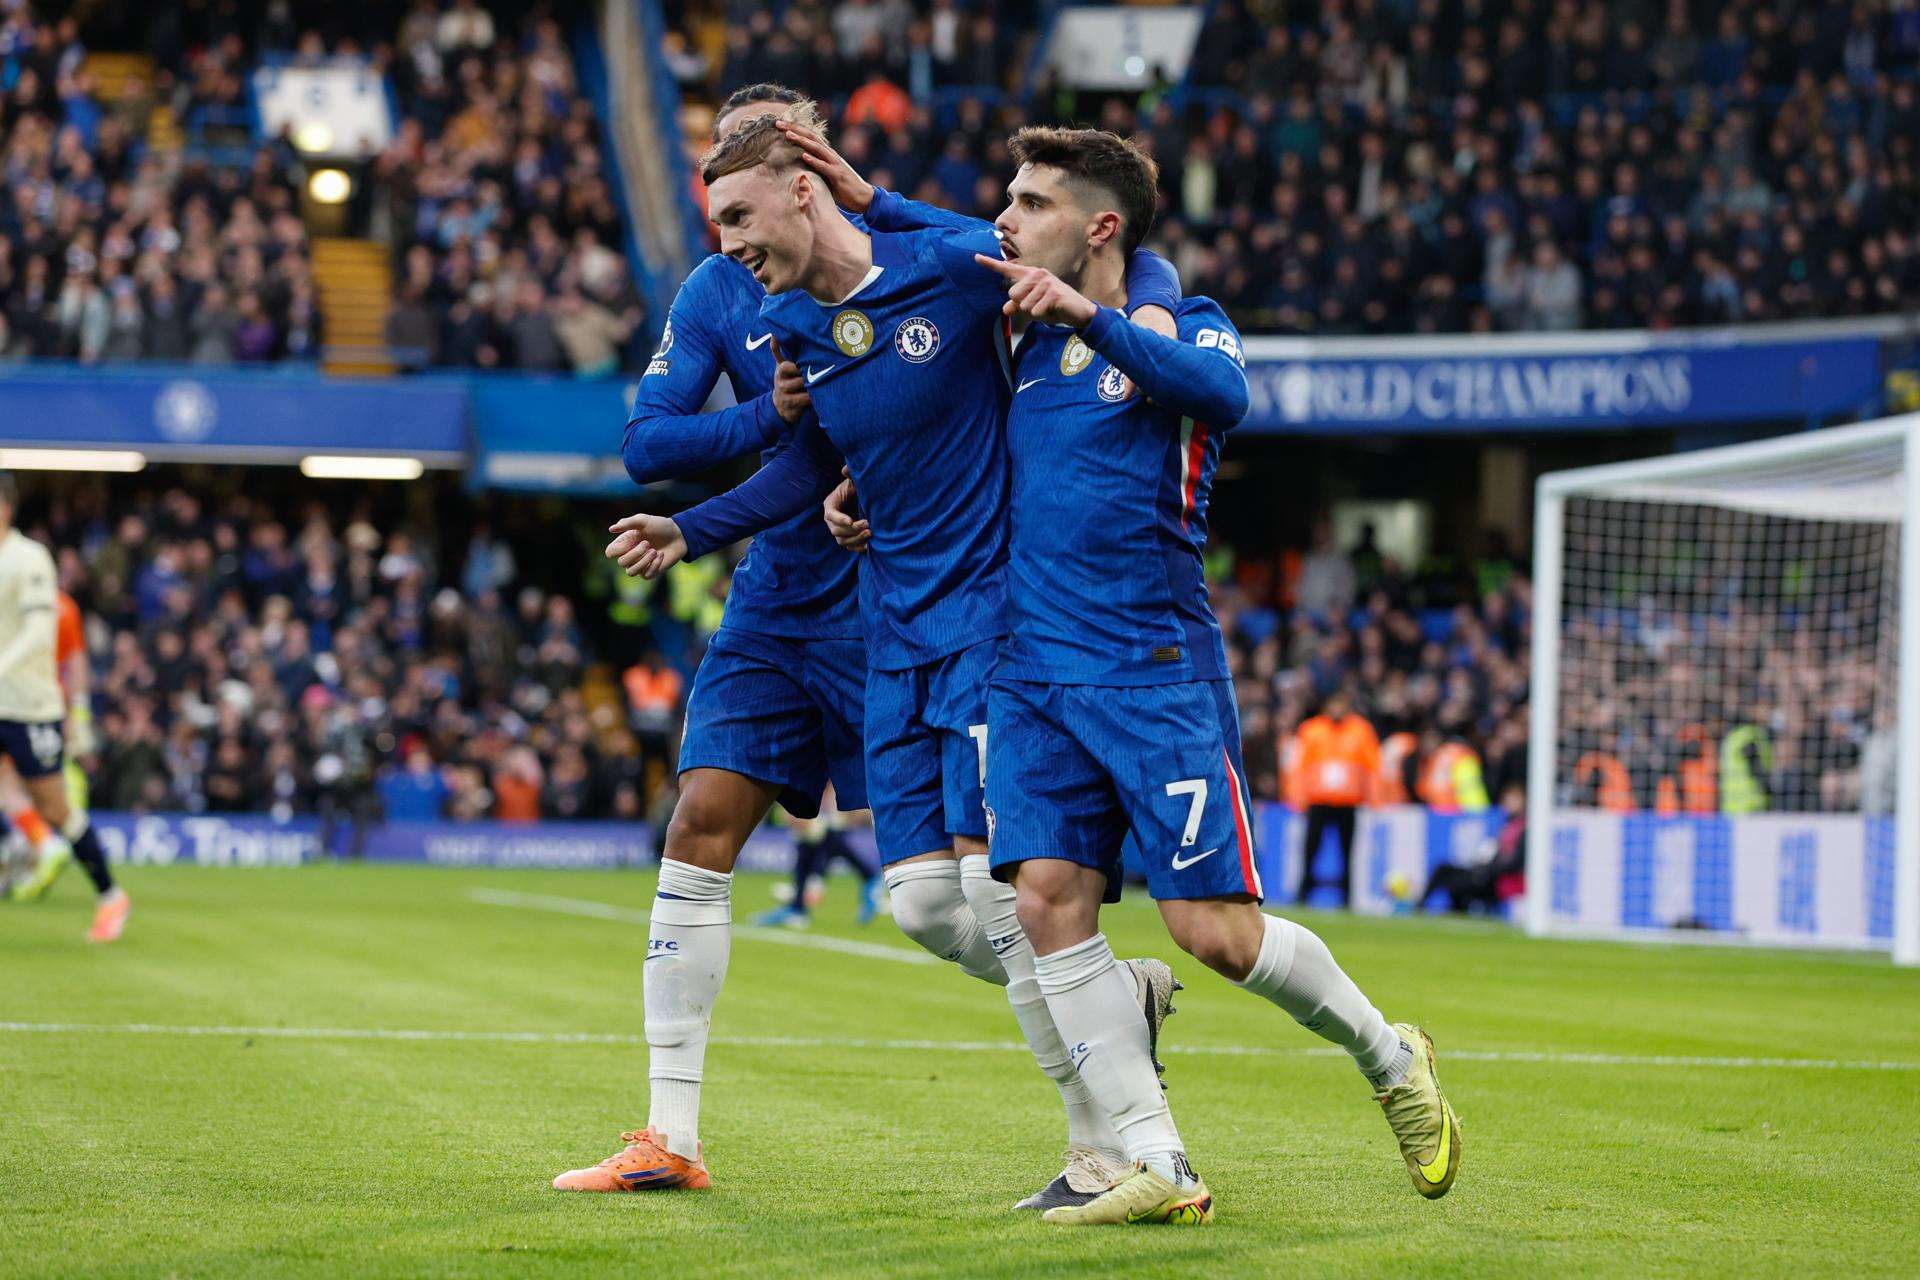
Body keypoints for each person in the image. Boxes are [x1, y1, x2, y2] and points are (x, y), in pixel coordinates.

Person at [818, 127, 1457, 1224]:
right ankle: (1157, 1160)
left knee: (1212, 933)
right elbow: (958, 278)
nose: (1005, 222)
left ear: (1099, 227)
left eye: (1030, 204)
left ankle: (1390, 1054)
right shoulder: (1020, 339)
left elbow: (1223, 396)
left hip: (1151, 669)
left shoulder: (1177, 324)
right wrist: (869, 200)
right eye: (1006, 201)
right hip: (1028, 673)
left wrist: (1101, 317)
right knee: (1042, 901)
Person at [561, 87, 1177, 1207]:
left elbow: (1116, 270)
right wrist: (774, 418)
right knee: (701, 821)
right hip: (781, 596)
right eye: (724, 163)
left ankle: (1118, 1120)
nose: (736, 219)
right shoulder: (718, 289)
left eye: (772, 158)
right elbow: (651, 442)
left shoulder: (920, 255)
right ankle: (669, 1132)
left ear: (814, 167)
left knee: (983, 897)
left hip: (920, 600)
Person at [0, 476, 127, 941]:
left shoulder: (29, 559)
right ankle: (24, 847)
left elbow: (41, 634)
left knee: (55, 806)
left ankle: (111, 897)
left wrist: (79, 714)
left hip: (28, 705)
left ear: (6, 508)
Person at [1292, 689, 1380, 906]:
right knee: (1310, 850)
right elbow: (1300, 766)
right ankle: (1303, 893)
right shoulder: (1311, 730)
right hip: (1318, 801)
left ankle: (1346, 897)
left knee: (1346, 852)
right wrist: (1298, 798)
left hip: (1348, 803)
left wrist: (1374, 800)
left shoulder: (1361, 730)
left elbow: (1373, 766)